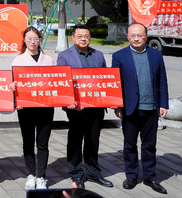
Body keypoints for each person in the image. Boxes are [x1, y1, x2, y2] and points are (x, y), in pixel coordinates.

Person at [112, 22, 169, 194]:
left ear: (146, 36)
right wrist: (117, 106)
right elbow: (116, 83)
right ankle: (131, 176)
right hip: (130, 108)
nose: (136, 38)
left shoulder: (156, 54)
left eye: (140, 35)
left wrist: (163, 104)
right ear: (128, 37)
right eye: (133, 35)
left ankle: (150, 177)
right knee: (130, 144)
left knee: (149, 145)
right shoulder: (119, 56)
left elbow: (162, 80)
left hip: (151, 108)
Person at [57, 25, 113, 189]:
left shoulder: (98, 54)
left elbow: (104, 79)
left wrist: (109, 99)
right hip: (77, 108)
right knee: (75, 141)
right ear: (73, 37)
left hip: (96, 107)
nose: (83, 39)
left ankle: (93, 173)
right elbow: (62, 80)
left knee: (93, 140)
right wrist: (69, 101)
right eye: (80, 36)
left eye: (87, 36)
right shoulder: (64, 55)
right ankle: (76, 173)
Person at [11, 26, 55, 190]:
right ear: (24, 40)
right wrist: (14, 92)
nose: (32, 41)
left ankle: (41, 176)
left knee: (43, 144)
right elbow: (14, 84)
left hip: (45, 108)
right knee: (28, 142)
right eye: (29, 38)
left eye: (35, 38)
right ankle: (31, 174)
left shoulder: (49, 60)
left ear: (40, 40)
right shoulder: (18, 61)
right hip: (26, 109)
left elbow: (55, 83)